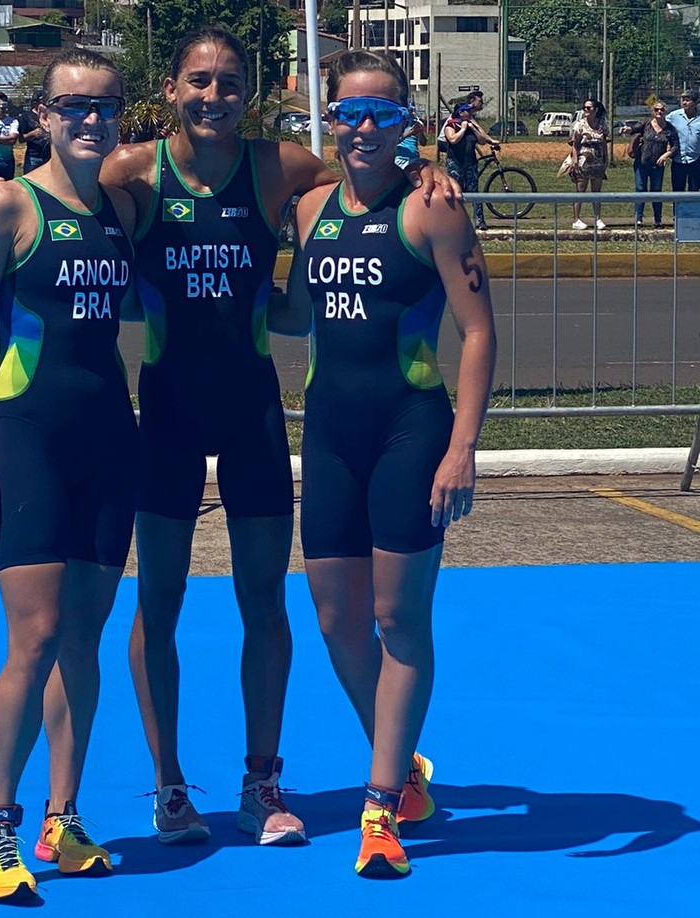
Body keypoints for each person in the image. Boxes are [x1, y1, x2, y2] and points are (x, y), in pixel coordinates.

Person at [98, 26, 458, 848]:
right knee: (160, 598)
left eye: (229, 84)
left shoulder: (282, 167)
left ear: (249, 94)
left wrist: (428, 168)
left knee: (264, 598)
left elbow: (373, 168)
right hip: (169, 414)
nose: (213, 97)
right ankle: (169, 788)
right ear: (171, 87)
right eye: (199, 81)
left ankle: (263, 781)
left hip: (253, 409)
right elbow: (65, 196)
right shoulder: (135, 170)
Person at [276, 49, 496, 879]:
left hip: (412, 430)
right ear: (328, 119)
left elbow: (478, 332)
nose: (365, 128)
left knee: (399, 620)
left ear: (410, 122)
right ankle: (402, 767)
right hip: (330, 432)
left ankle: (380, 807)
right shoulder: (308, 210)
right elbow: (294, 317)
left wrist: (463, 449)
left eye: (385, 115)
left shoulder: (432, 207)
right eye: (350, 114)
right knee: (335, 619)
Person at [0, 48, 137, 904]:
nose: (88, 120)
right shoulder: (5, 207)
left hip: (109, 442)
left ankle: (64, 819)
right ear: (44, 116)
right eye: (72, 106)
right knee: (31, 639)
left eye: (103, 106)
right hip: (27, 441)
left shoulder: (123, 208)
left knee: (84, 638)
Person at [443, 97, 498, 231]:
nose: (470, 113)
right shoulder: (451, 125)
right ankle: (455, 220)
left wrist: (474, 129)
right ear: (461, 113)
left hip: (470, 163)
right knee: (456, 192)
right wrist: (462, 129)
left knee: (474, 191)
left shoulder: (470, 126)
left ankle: (480, 220)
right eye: (467, 111)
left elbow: (482, 141)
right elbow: (453, 140)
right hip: (455, 163)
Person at [622, 102, 678, 228]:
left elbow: (675, 146)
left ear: (665, 112)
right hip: (641, 163)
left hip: (658, 166)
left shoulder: (670, 129)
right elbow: (634, 129)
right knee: (640, 189)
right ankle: (638, 219)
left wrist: (666, 155)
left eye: (662, 110)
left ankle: (658, 220)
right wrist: (627, 129)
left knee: (656, 191)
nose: (659, 112)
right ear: (652, 111)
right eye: (656, 110)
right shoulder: (646, 124)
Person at [569, 98, 610, 230]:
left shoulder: (602, 124)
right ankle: (576, 219)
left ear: (595, 109)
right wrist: (575, 159)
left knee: (596, 191)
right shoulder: (579, 124)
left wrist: (606, 158)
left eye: (589, 108)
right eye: (584, 108)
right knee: (580, 190)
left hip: (597, 161)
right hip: (583, 161)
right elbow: (574, 144)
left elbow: (604, 142)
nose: (586, 110)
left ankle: (597, 218)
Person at [665, 90, 700, 194]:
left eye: (687, 100)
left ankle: (693, 211)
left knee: (694, 192)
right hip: (678, 160)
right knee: (677, 191)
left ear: (695, 102)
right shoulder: (674, 116)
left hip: (696, 160)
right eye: (683, 100)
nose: (684, 103)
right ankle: (677, 210)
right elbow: (659, 124)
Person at [17, 90, 51, 173]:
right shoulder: (26, 117)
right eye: (41, 101)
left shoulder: (50, 116)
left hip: (49, 156)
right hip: (33, 156)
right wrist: (32, 134)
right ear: (35, 102)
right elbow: (21, 139)